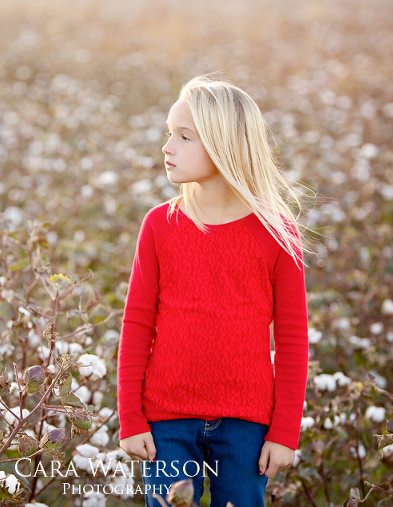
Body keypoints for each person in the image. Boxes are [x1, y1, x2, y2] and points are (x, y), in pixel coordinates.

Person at [116, 75, 309, 507]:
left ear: (225, 146)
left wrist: (285, 432)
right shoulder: (159, 225)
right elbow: (137, 325)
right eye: (169, 133)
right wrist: (131, 418)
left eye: (184, 137)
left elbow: (293, 341)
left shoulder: (278, 233)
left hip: (247, 424)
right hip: (165, 420)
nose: (167, 146)